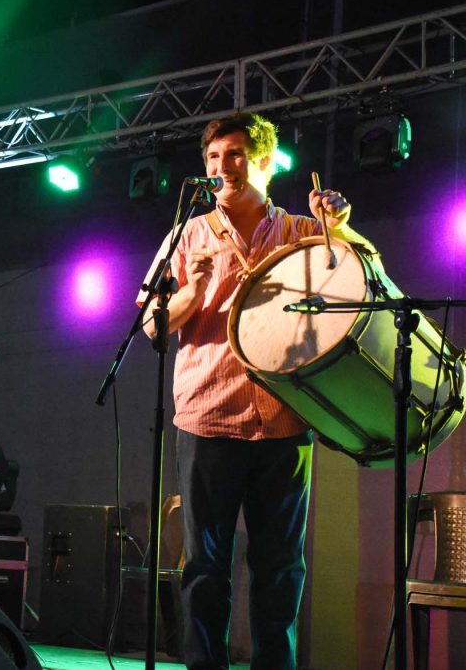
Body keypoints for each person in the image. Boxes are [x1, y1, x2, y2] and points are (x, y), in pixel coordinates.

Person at [138, 113, 368, 669]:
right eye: (213, 158)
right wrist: (192, 291)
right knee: (202, 566)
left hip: (285, 417)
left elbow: (366, 276)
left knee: (281, 566)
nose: (222, 167)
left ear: (265, 162)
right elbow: (151, 326)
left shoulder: (299, 231)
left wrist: (342, 227)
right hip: (207, 416)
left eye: (236, 154)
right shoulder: (186, 235)